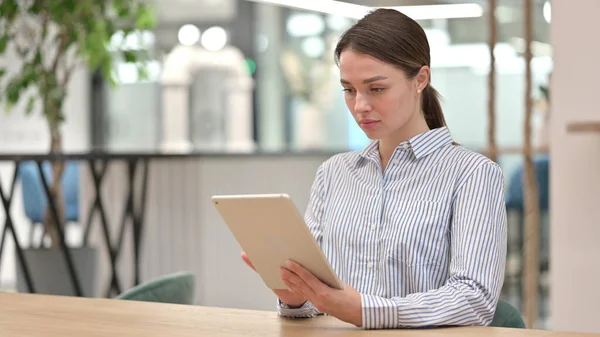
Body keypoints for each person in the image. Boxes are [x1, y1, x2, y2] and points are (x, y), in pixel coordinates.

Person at [242, 8, 507, 330]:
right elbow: (319, 304)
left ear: (420, 79)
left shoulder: (472, 174)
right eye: (349, 90)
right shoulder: (334, 173)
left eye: (376, 89)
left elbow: (473, 299)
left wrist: (366, 310)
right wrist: (296, 297)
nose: (360, 106)